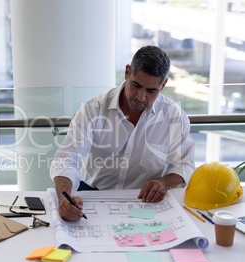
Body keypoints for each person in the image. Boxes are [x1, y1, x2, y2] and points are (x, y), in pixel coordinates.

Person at [50, 45, 195, 221]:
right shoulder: (93, 108)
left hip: (144, 200)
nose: (141, 97)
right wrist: (64, 198)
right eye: (136, 85)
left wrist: (163, 183)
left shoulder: (174, 116)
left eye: (151, 91)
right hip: (92, 195)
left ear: (163, 85)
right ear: (127, 73)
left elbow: (184, 165)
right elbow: (66, 158)